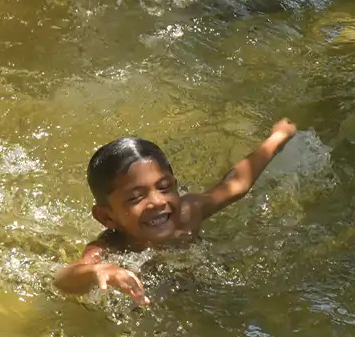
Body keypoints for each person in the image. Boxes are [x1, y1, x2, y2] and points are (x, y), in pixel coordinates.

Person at [57, 119, 300, 305]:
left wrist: (276, 138)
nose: (156, 202)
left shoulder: (186, 214)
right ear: (107, 217)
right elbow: (64, 278)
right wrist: (100, 271)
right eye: (135, 197)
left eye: (164, 187)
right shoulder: (112, 247)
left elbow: (235, 185)